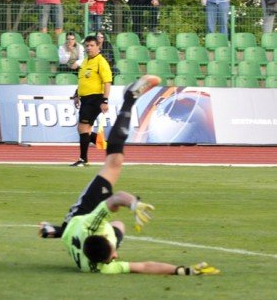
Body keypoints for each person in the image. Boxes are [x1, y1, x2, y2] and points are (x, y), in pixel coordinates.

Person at [39, 74, 221, 276]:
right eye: (112, 257)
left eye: (112, 254)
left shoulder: (93, 226)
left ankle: (129, 100)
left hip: (79, 218)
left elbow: (117, 198)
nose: (116, 257)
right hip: (79, 236)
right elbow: (143, 266)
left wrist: (134, 203)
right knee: (119, 225)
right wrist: (181, 271)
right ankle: (56, 231)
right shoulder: (102, 267)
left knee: (114, 163)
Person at [70, 35, 112, 167]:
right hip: (85, 99)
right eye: (87, 46)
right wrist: (77, 94)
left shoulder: (101, 62)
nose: (89, 48)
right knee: (83, 129)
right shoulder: (85, 62)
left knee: (83, 127)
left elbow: (107, 82)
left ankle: (83, 159)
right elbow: (83, 81)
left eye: (92, 45)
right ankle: (106, 145)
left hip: (95, 98)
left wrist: (105, 101)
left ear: (98, 47)